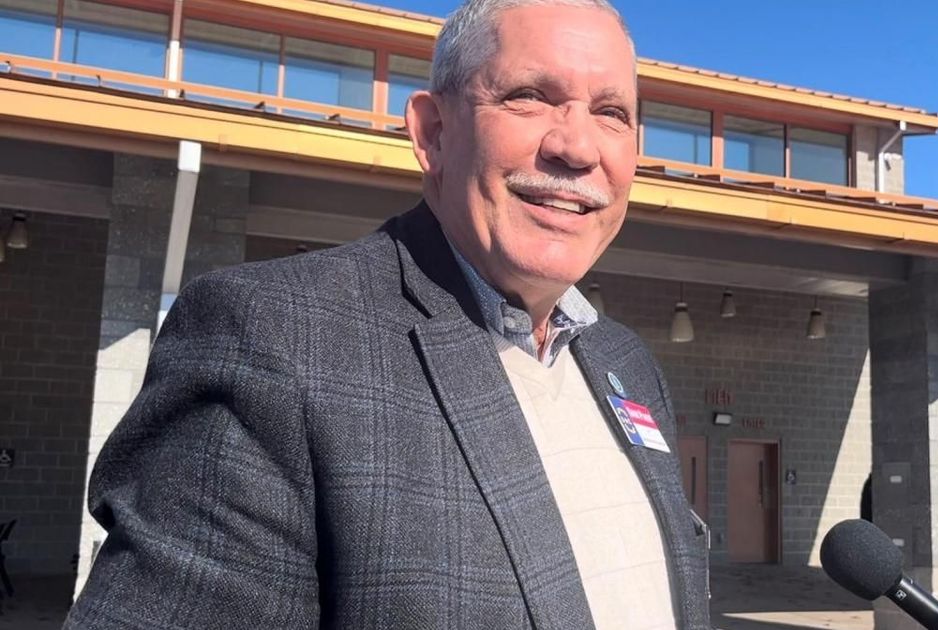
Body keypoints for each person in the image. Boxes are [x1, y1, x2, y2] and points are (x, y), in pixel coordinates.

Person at [65, 0, 710, 628]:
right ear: (433, 133)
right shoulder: (273, 338)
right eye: (529, 96)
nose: (577, 147)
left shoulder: (627, 363)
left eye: (611, 113)